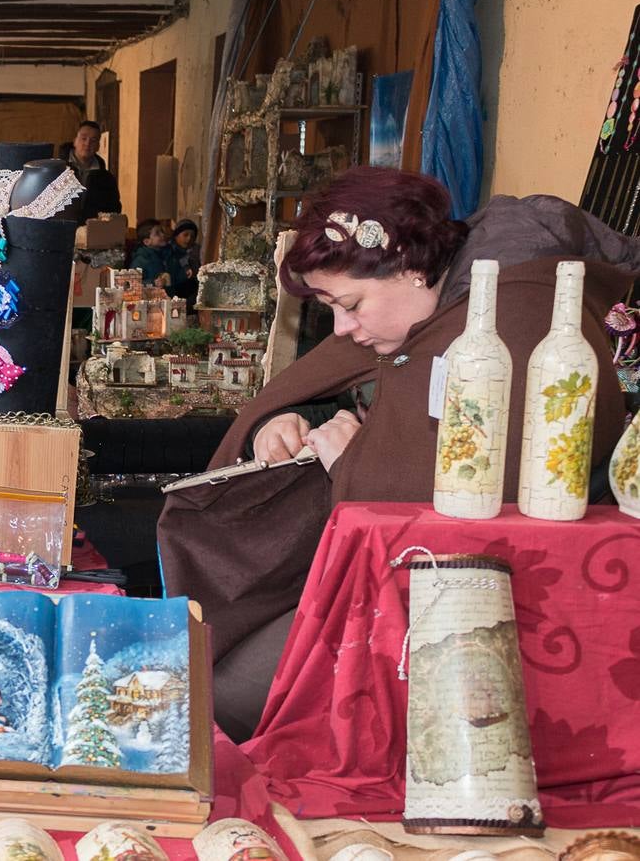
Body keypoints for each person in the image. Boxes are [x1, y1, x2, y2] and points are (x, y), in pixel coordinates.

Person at [158, 165, 640, 741]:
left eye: (351, 303)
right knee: (211, 682)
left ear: (409, 266)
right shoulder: (436, 308)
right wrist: (289, 423)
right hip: (393, 579)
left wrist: (352, 463)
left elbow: (481, 505)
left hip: (491, 611)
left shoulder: (512, 318)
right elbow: (381, 408)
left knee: (227, 702)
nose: (342, 328)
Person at [131, 220, 185, 292]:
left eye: (162, 231)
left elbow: (178, 274)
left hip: (172, 296)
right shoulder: (141, 259)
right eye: (157, 233)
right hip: (152, 298)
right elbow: (133, 282)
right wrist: (153, 282)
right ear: (147, 241)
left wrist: (184, 273)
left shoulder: (170, 253)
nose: (162, 235)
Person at [64, 120, 107, 185]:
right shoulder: (59, 166)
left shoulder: (103, 175)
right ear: (75, 141)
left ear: (98, 146)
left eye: (93, 140)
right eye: (83, 138)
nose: (87, 143)